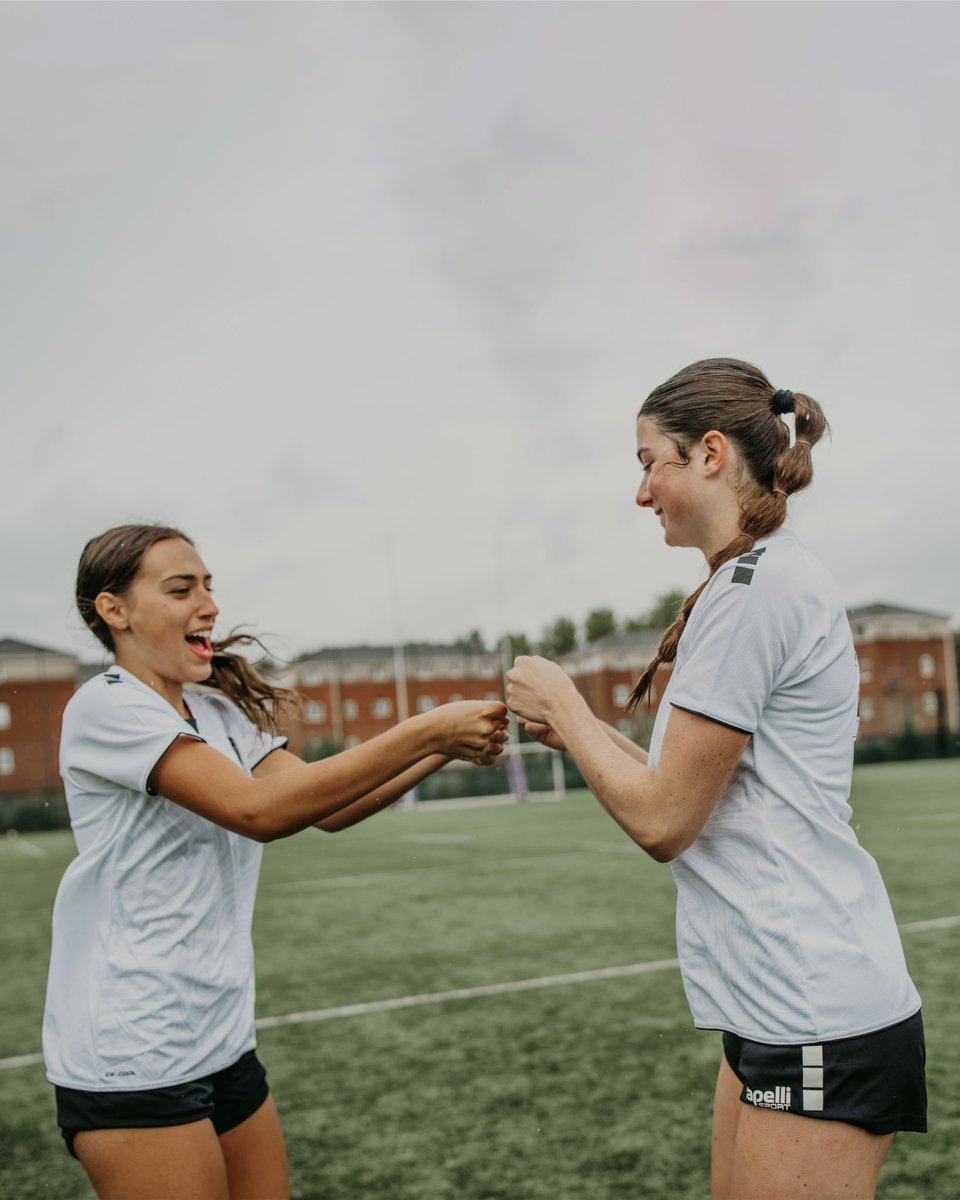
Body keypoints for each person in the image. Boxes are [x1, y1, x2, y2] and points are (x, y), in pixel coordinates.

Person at [505, 358, 926, 1200]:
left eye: (646, 464)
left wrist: (570, 707)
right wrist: (582, 736)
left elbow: (664, 822)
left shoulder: (755, 590)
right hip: (772, 1007)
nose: (640, 493)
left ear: (708, 453)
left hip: (813, 1009)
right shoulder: (753, 579)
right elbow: (694, 789)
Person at [43, 523, 508, 1200]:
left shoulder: (217, 714)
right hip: (133, 1050)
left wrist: (446, 747)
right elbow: (257, 811)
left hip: (221, 1037)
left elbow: (327, 806)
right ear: (114, 610)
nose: (209, 605)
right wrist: (427, 728)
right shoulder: (106, 706)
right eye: (181, 589)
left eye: (208, 587)